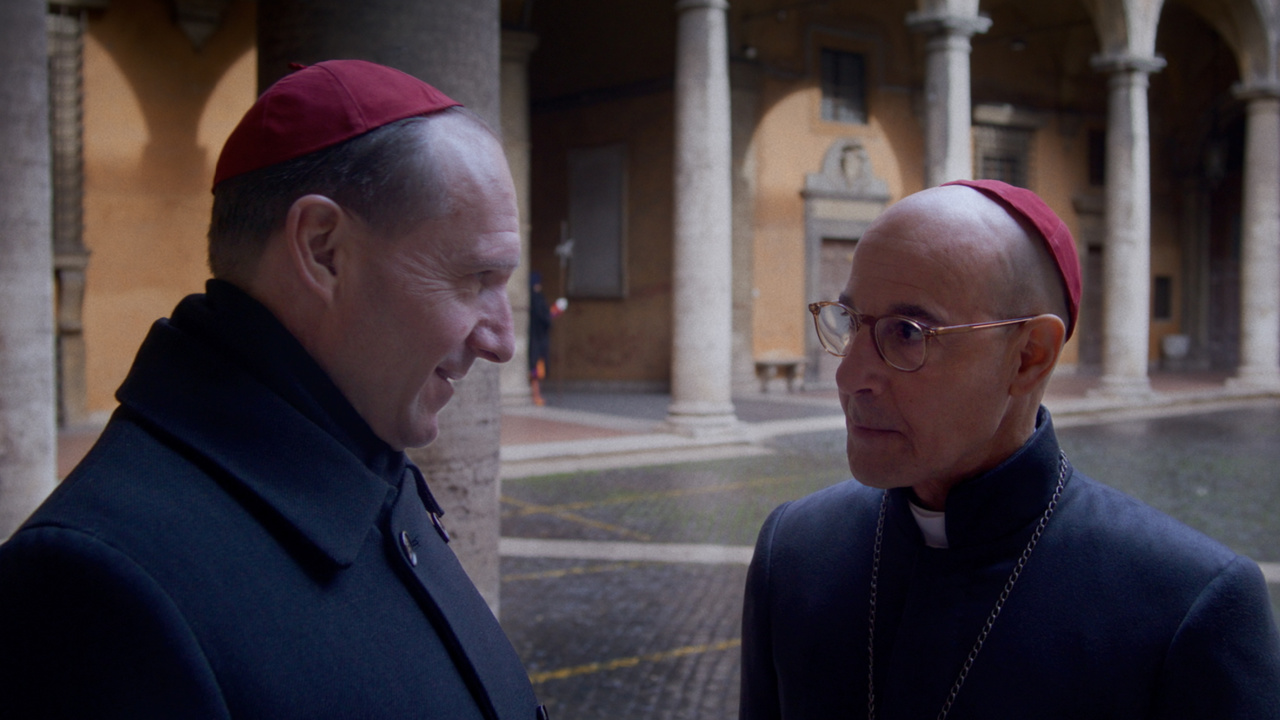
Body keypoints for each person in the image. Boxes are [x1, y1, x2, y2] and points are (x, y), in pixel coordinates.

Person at [0, 60, 548, 720]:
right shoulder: (89, 590)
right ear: (322, 250)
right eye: (474, 278)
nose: (502, 341)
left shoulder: (360, 452)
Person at [739, 179, 1280, 719]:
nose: (851, 373)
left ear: (1028, 358)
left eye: (907, 333)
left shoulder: (1190, 606)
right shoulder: (793, 551)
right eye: (851, 321)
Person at [527, 270, 565, 406]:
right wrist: (557, 310)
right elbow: (546, 317)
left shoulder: (531, 297)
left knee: (537, 367)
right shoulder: (537, 298)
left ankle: (537, 395)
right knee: (536, 368)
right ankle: (536, 395)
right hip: (538, 338)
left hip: (535, 337)